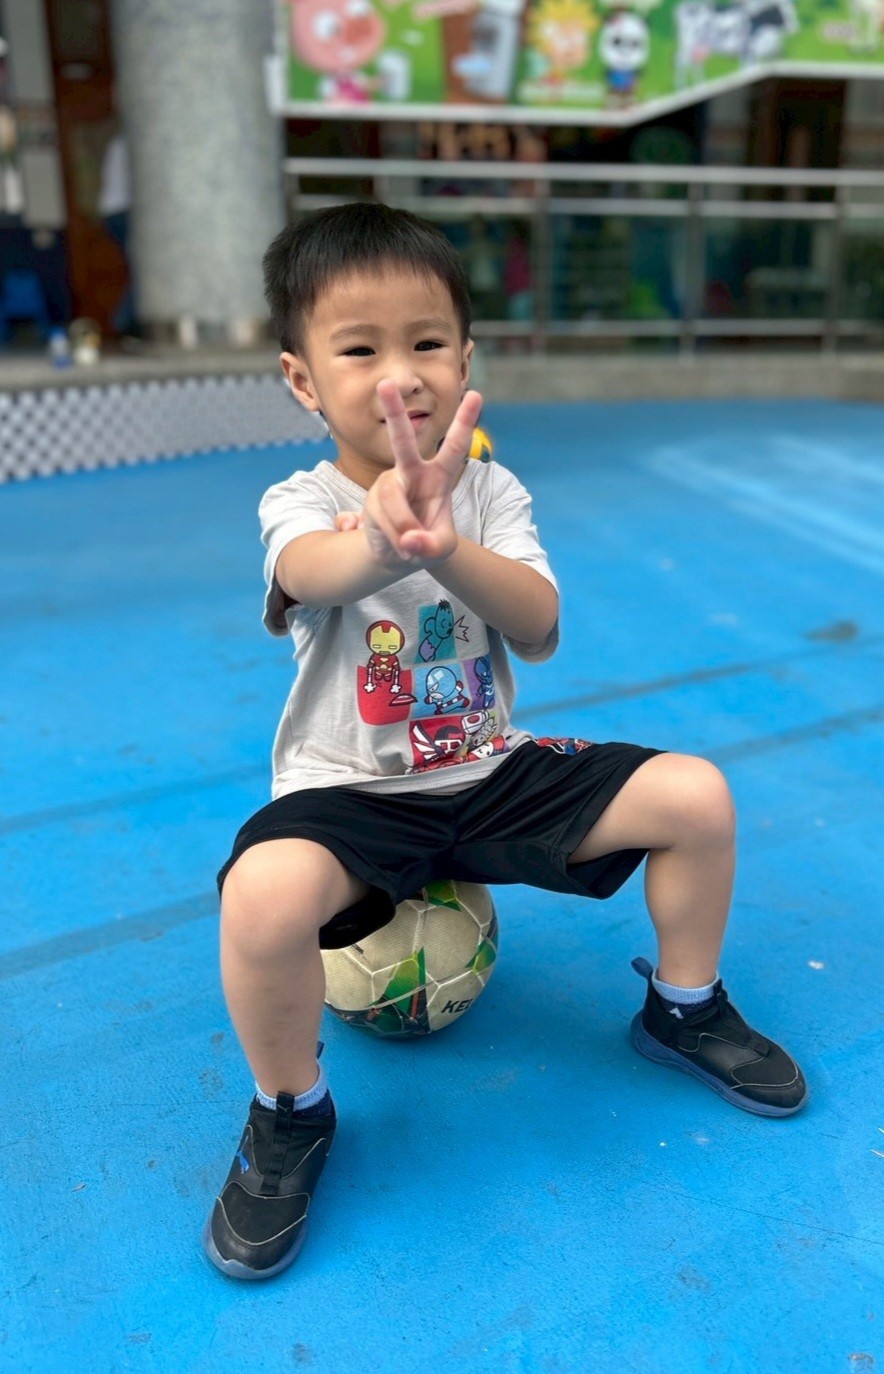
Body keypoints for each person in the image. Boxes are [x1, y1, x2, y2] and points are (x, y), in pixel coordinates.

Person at [203, 202, 807, 1282]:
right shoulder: (299, 498)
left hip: (489, 768)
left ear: (467, 358)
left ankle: (683, 1007)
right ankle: (290, 1109)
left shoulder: (492, 490)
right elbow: (311, 572)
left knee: (696, 797)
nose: (402, 375)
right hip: (351, 793)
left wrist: (446, 543)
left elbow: (537, 620)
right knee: (259, 897)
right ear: (303, 380)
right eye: (361, 350)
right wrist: (384, 539)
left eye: (427, 342)